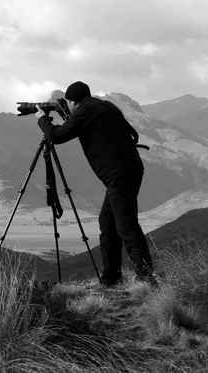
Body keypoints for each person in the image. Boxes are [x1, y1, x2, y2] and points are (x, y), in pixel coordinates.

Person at [35, 81, 156, 287]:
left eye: (70, 104)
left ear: (73, 102)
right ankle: (111, 278)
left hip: (120, 174)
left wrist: (42, 119)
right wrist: (67, 116)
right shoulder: (103, 106)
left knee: (126, 224)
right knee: (108, 224)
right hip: (128, 170)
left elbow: (57, 136)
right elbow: (81, 125)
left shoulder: (86, 111)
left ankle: (146, 277)